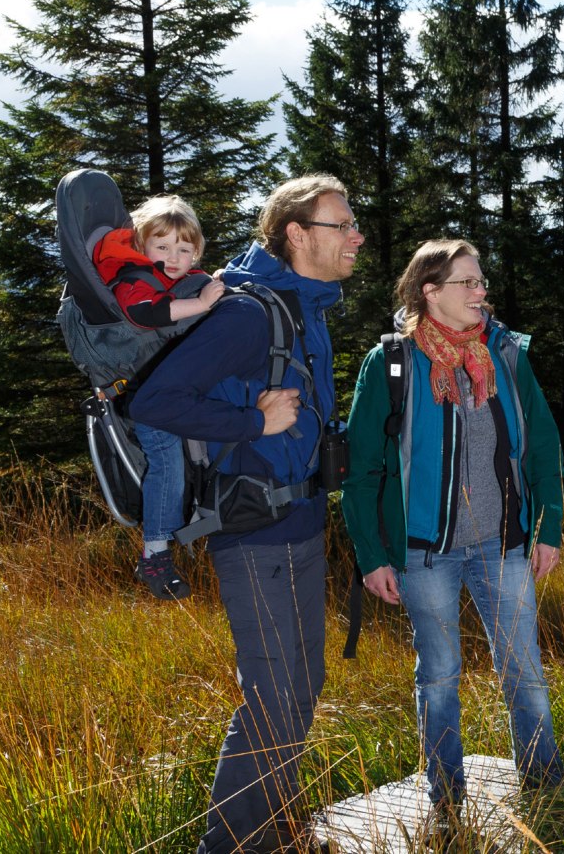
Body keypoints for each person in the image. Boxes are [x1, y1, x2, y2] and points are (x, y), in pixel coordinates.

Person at [129, 175, 361, 854]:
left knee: (302, 683)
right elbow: (153, 401)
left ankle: (276, 834)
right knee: (273, 692)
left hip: (300, 524)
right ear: (297, 234)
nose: (356, 236)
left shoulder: (306, 308)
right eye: (341, 225)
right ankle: (228, 847)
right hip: (252, 533)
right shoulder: (248, 314)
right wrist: (249, 422)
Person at [341, 239, 564, 823]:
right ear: (429, 291)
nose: (480, 292)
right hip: (423, 554)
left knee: (526, 672)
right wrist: (371, 554)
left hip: (504, 545)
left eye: (480, 280)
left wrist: (548, 526)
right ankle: (447, 802)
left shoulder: (507, 354)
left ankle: (546, 790)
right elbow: (361, 468)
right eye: (465, 282)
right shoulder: (391, 363)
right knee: (438, 677)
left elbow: (541, 444)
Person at [92, 193, 225, 600]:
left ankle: (194, 523)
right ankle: (155, 552)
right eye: (162, 246)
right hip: (146, 396)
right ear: (140, 246)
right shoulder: (134, 280)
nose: (173, 256)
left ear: (196, 251)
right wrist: (201, 302)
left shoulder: (178, 279)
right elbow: (145, 314)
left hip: (168, 389)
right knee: (166, 460)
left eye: (184, 249)